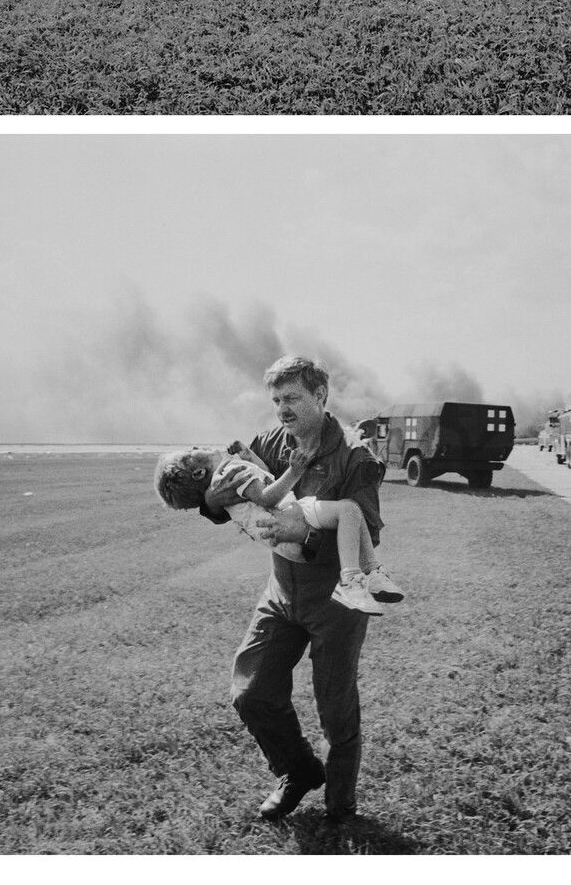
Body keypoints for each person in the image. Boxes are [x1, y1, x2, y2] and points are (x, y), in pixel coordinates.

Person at [207, 354, 386, 826]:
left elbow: (367, 531)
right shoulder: (269, 442)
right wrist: (213, 500)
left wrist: (303, 532)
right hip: (281, 593)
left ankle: (341, 808)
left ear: (321, 396)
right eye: (276, 399)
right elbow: (243, 489)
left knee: (334, 705)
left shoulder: (355, 455)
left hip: (335, 600)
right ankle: (298, 770)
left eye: (292, 398)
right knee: (251, 690)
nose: (281, 409)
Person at [154, 440, 403, 614]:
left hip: (288, 527)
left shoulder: (229, 472)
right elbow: (265, 496)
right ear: (198, 473)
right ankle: (352, 580)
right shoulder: (229, 473)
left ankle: (371, 573)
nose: (197, 447)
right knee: (349, 510)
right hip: (288, 515)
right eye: (190, 453)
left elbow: (264, 477)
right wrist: (295, 471)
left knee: (351, 511)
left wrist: (250, 456)